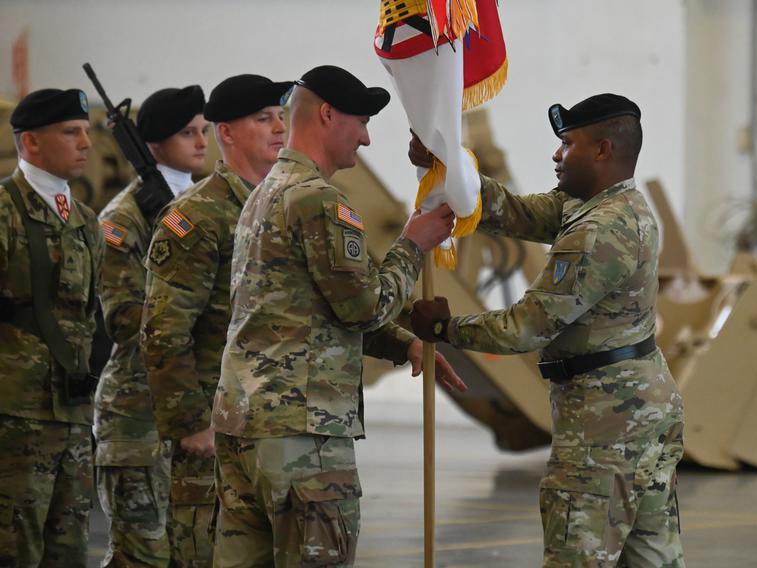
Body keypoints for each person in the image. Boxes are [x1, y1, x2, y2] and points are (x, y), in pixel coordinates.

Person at [410, 94, 686, 567]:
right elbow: (514, 211)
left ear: (602, 149)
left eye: (567, 144)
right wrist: (449, 169)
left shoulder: (600, 230)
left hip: (606, 422)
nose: (556, 155)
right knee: (651, 558)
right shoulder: (606, 207)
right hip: (636, 410)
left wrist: (444, 327)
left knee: (575, 554)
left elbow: (528, 326)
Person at [210, 65, 467, 568]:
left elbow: (302, 311)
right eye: (362, 121)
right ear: (327, 115)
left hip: (244, 426)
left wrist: (403, 345)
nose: (367, 138)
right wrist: (412, 246)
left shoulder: (262, 195)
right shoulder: (319, 201)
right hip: (303, 435)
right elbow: (364, 306)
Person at [140, 74, 292, 567]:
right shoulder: (197, 216)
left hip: (270, 431)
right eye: (263, 119)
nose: (279, 128)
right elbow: (164, 328)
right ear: (225, 133)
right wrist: (189, 423)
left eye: (282, 117)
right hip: (212, 436)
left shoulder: (283, 206)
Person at [94, 84, 208, 567]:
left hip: (191, 407)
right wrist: (191, 317)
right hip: (139, 413)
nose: (202, 142)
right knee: (140, 556)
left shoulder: (204, 205)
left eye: (204, 131)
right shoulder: (124, 217)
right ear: (155, 143)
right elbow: (122, 317)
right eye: (188, 133)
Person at [0, 88, 103, 566]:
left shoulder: (86, 221)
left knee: (70, 549)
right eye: (70, 132)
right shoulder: (4, 211)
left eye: (85, 131)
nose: (85, 142)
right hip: (14, 417)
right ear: (30, 143)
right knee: (14, 548)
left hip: (73, 414)